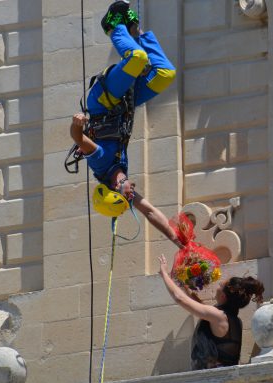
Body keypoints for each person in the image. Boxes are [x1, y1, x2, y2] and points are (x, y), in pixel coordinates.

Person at [69, 1, 183, 248]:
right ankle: (136, 31)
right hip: (123, 106)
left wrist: (77, 124)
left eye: (126, 196)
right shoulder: (121, 174)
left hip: (103, 100)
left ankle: (113, 26)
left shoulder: (101, 162)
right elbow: (150, 212)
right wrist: (177, 240)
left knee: (137, 59)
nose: (132, 195)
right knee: (165, 74)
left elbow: (79, 139)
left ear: (114, 188)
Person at [157, 254, 265, 369]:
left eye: (220, 285)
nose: (217, 287)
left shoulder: (218, 316)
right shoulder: (234, 320)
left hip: (212, 380)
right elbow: (200, 307)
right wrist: (185, 283)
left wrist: (164, 274)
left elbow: (179, 298)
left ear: (223, 295)